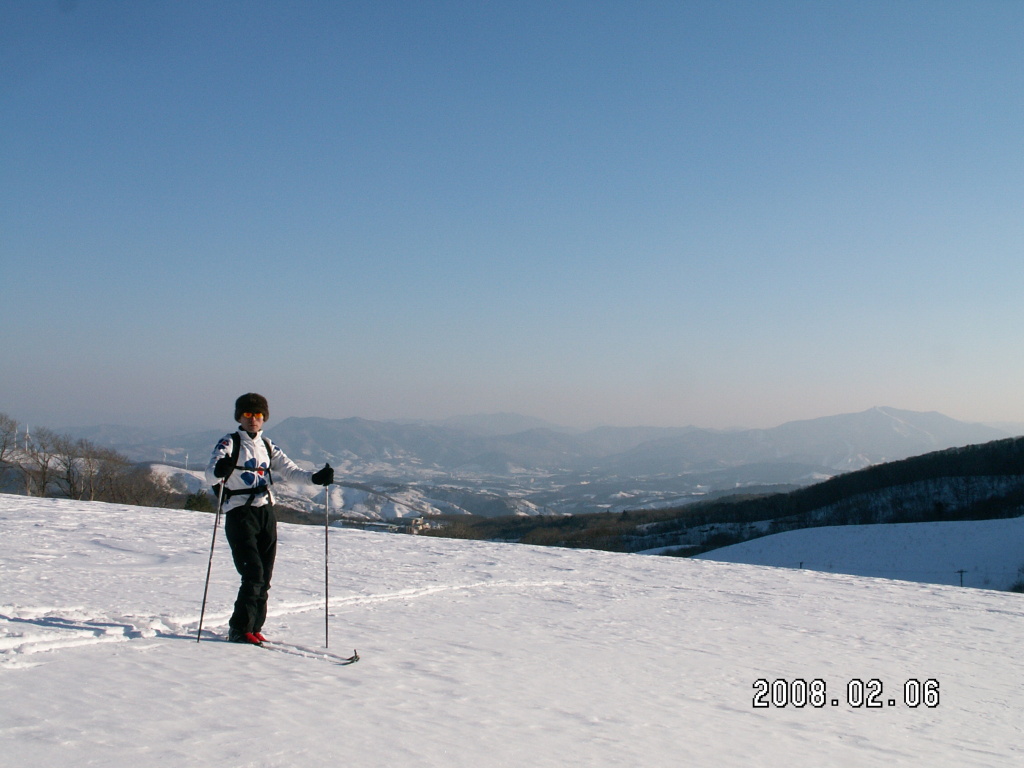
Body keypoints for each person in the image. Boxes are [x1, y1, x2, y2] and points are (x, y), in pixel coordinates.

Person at [205, 393, 333, 645]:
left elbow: (290, 470)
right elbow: (211, 473)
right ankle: (239, 629)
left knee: (265, 574)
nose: (254, 419)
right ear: (239, 417)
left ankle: (254, 627)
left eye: (258, 415)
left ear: (264, 418)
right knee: (252, 571)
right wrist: (220, 470)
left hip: (265, 511)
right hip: (239, 511)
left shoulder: (267, 445)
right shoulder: (229, 443)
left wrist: (316, 478)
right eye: (248, 414)